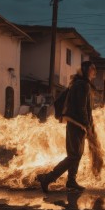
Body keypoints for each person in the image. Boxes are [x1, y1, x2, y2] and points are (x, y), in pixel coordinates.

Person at [36, 61, 97, 193]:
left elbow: (85, 108)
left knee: (76, 154)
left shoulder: (80, 84)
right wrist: (87, 125)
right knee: (74, 155)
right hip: (77, 124)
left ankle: (71, 180)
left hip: (76, 124)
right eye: (92, 69)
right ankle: (47, 178)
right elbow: (82, 108)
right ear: (86, 70)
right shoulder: (83, 85)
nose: (94, 72)